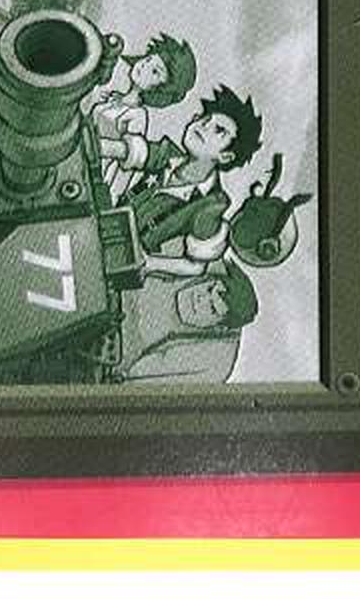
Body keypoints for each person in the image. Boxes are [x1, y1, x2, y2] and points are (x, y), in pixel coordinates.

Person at [99, 85, 263, 277]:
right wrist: (98, 146)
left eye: (219, 130)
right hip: (105, 225)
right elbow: (128, 151)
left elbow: (195, 266)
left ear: (225, 156)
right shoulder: (168, 156)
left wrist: (149, 263)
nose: (203, 126)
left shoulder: (209, 205)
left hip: (119, 260)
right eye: (204, 119)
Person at [88, 33, 198, 203]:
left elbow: (125, 166)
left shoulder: (137, 116)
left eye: (155, 71)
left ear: (160, 89)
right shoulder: (113, 99)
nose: (144, 66)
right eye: (148, 59)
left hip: (96, 175)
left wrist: (107, 196)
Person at [116, 258, 259, 382]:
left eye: (212, 308)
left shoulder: (213, 363)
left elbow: (130, 384)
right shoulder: (200, 257)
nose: (200, 298)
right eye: (209, 289)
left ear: (218, 328)